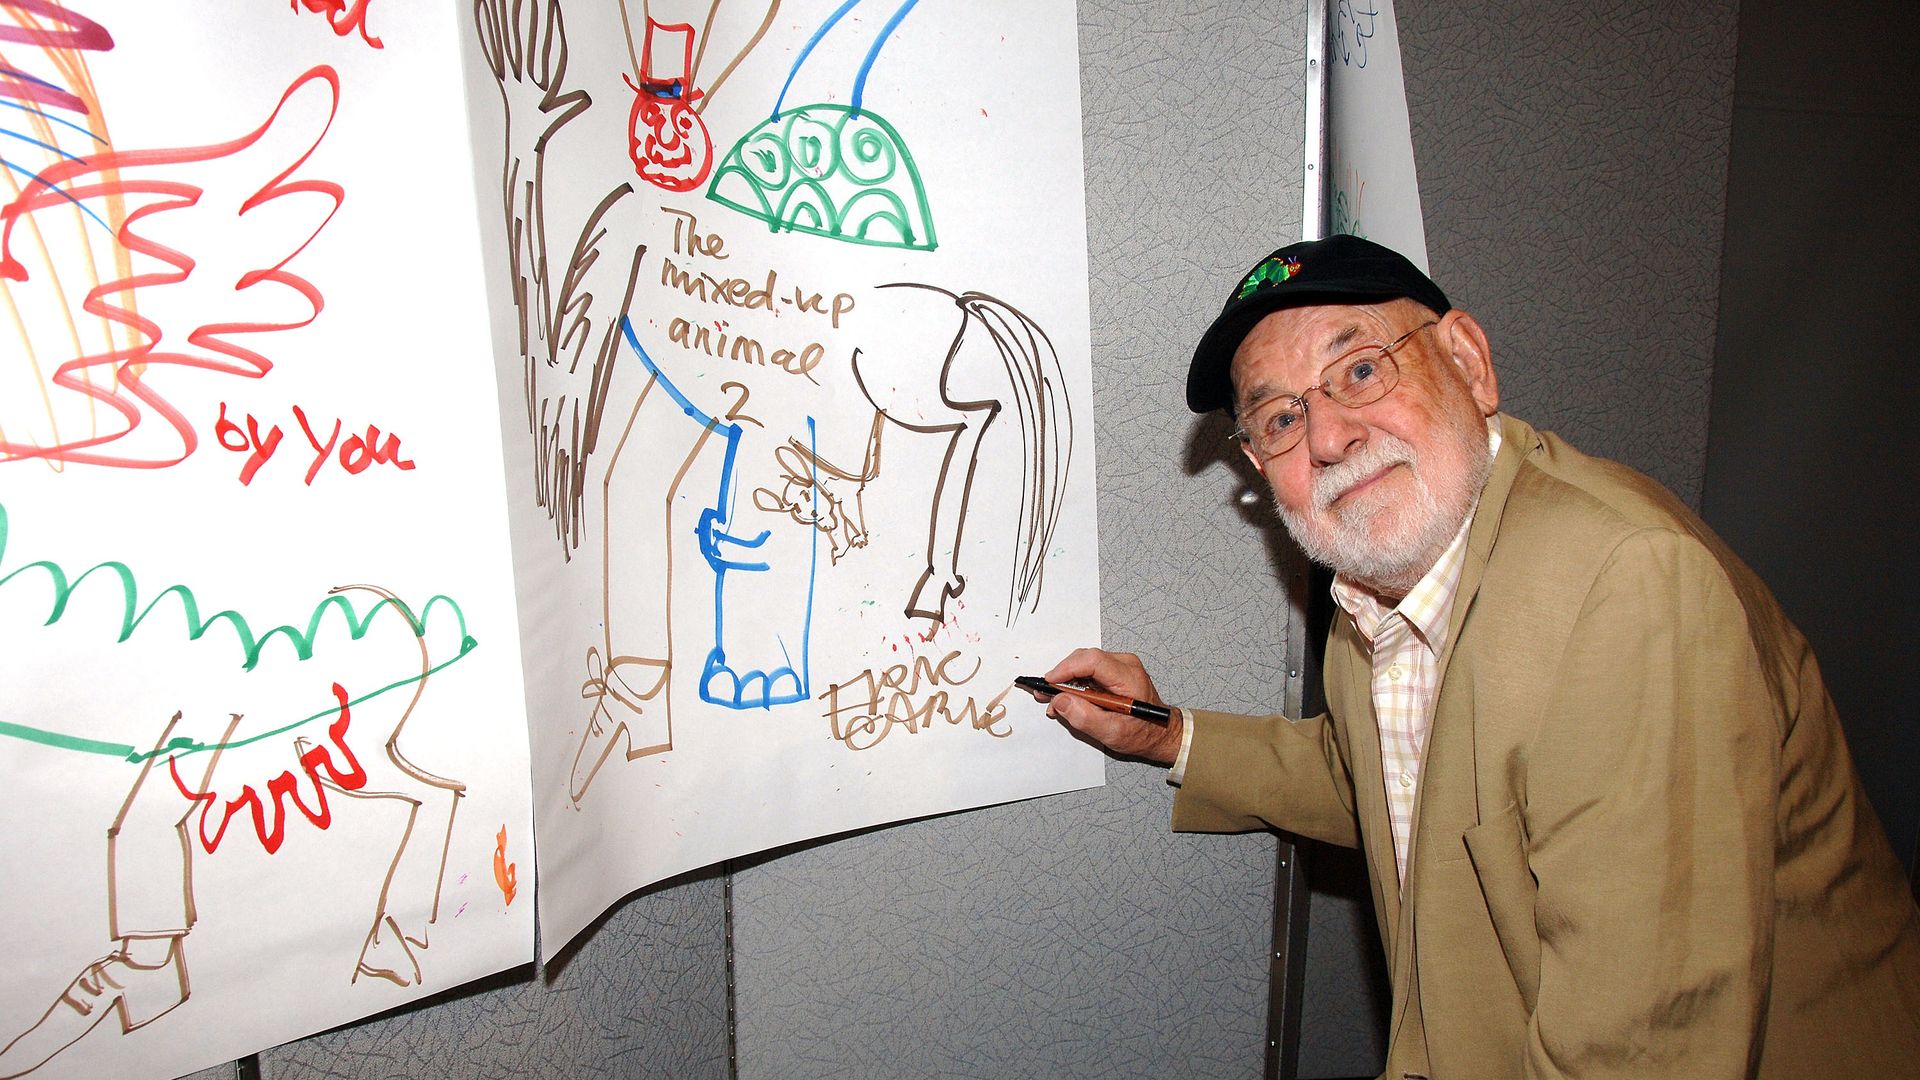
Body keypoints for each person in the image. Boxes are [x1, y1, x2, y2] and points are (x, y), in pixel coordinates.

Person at [1039, 234, 1920, 1078]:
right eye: (1279, 416)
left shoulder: (1627, 592)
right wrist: (1165, 734)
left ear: (1466, 361)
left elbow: (1645, 1051)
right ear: (1261, 465)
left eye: (1359, 369)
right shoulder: (1386, 575)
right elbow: (1382, 774)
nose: (1331, 438)